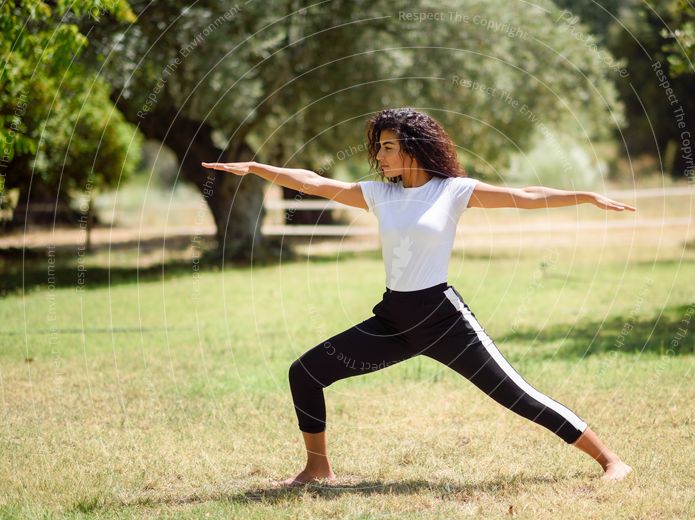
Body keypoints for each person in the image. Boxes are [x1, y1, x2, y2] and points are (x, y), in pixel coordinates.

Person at [202, 107, 634, 487]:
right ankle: (318, 469)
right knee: (306, 372)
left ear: (414, 147)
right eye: (379, 148)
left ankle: (610, 460)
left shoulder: (453, 191)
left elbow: (526, 196)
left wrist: (587, 196)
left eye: (389, 147)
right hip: (393, 320)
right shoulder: (378, 195)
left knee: (516, 394)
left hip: (443, 320)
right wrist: (259, 168)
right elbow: (313, 182)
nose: (381, 156)